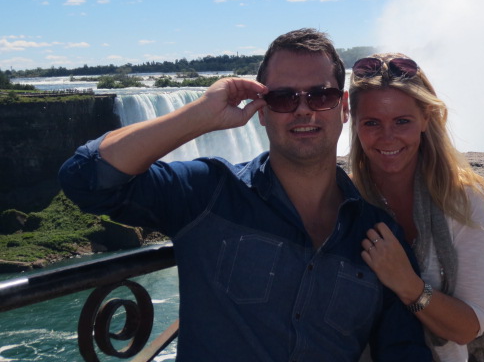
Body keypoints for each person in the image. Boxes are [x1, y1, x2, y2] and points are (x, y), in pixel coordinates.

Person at [58, 30, 431, 362]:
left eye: (321, 95)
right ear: (262, 113)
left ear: (344, 107)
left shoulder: (379, 236)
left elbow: (404, 350)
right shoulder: (207, 194)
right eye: (283, 98)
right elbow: (86, 180)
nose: (303, 108)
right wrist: (199, 115)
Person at [348, 53, 484, 362]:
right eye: (372, 123)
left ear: (426, 119)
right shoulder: (342, 201)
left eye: (402, 121)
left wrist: (409, 285)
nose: (388, 137)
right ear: (356, 125)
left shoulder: (462, 200)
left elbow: (468, 328)